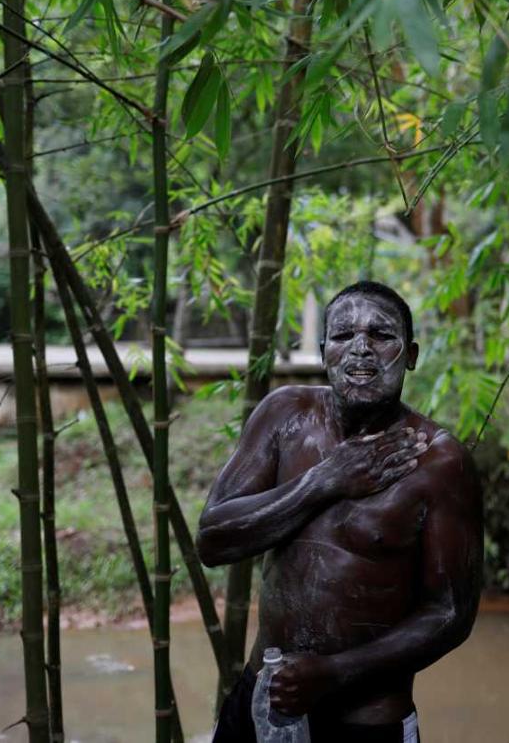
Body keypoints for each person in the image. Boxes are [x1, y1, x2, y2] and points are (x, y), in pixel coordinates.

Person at [198, 281, 483, 743]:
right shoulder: (285, 415)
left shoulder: (439, 462)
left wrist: (332, 673)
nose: (361, 349)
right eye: (344, 335)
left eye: (381, 335)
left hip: (366, 722)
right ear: (324, 349)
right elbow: (213, 540)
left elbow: (451, 613)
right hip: (262, 700)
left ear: (410, 355)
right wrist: (325, 480)